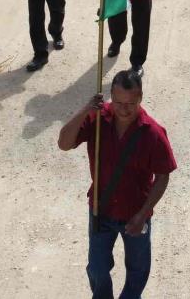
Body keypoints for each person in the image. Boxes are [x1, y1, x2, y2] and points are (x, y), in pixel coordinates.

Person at [57, 70, 176, 299]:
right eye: (118, 102)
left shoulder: (152, 132)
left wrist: (143, 214)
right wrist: (85, 110)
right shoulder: (98, 120)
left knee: (138, 270)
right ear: (110, 95)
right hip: (100, 210)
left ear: (140, 97)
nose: (124, 109)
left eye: (131, 103)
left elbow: (163, 176)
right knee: (97, 268)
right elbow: (64, 143)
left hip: (135, 214)